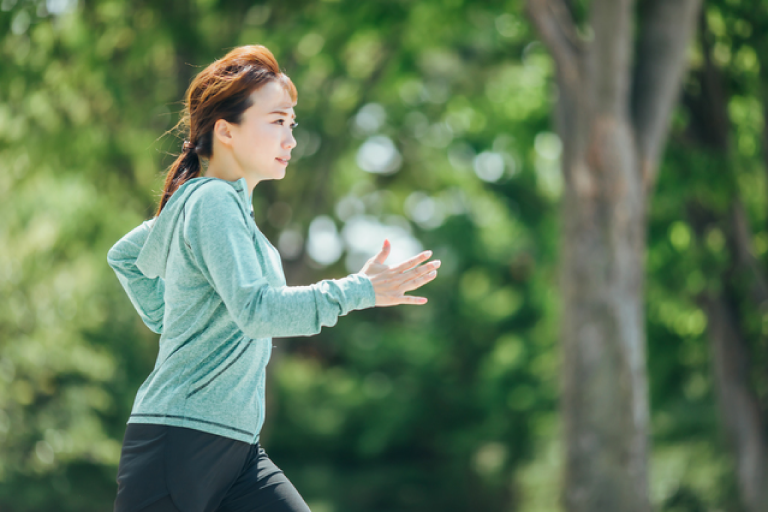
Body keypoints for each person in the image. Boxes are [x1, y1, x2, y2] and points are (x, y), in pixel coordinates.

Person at [107, 45, 440, 512]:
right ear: (226, 130)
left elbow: (124, 256)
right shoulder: (211, 202)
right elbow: (258, 310)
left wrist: (176, 317)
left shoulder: (225, 215)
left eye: (292, 124)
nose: (291, 139)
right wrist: (358, 290)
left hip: (237, 451)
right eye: (277, 121)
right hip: (178, 443)